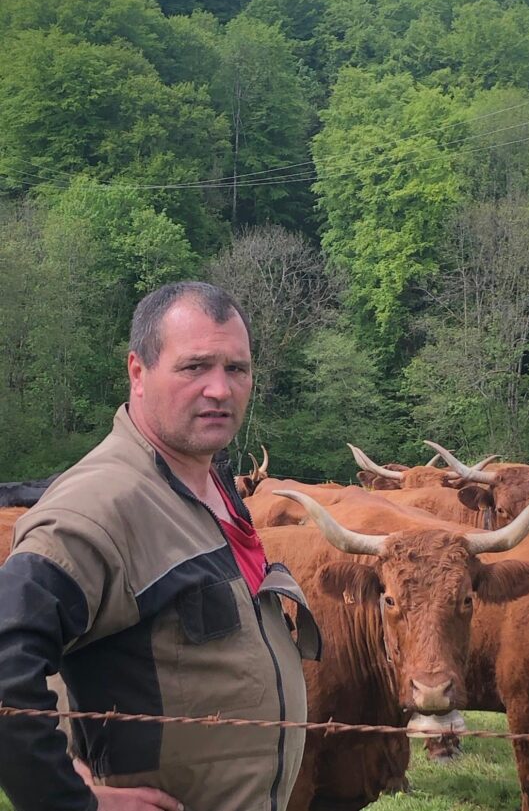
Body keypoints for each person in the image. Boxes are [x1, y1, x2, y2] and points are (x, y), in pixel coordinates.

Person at [0, 281, 320, 811]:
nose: (220, 389)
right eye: (195, 367)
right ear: (138, 372)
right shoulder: (102, 504)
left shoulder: (211, 485)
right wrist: (71, 800)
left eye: (236, 369)